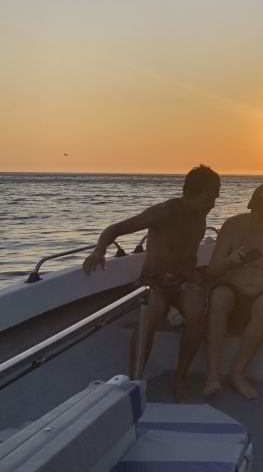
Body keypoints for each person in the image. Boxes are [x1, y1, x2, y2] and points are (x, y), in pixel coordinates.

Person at [82, 164, 220, 403]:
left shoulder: (201, 215)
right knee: (152, 313)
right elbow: (116, 228)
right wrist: (99, 250)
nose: (211, 205)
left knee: (198, 312)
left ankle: (180, 379)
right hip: (154, 280)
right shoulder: (164, 211)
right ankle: (135, 379)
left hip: (185, 279)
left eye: (215, 199)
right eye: (207, 199)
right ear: (188, 192)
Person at [204, 183, 263, 400]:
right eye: (255, 209)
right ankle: (212, 374)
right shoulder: (232, 227)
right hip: (231, 289)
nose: (259, 216)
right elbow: (211, 271)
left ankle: (238, 372)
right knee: (219, 297)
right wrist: (229, 261)